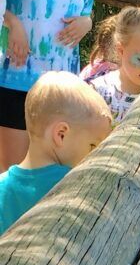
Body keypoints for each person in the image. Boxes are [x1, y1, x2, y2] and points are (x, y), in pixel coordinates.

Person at [0, 0, 97, 171]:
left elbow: (85, 12)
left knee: (52, 174)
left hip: (60, 91)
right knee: (11, 171)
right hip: (14, 79)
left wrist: (87, 23)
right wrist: (13, 23)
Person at [0, 70, 111, 234]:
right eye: (92, 145)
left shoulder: (3, 185)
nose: (95, 155)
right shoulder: (75, 185)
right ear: (61, 134)